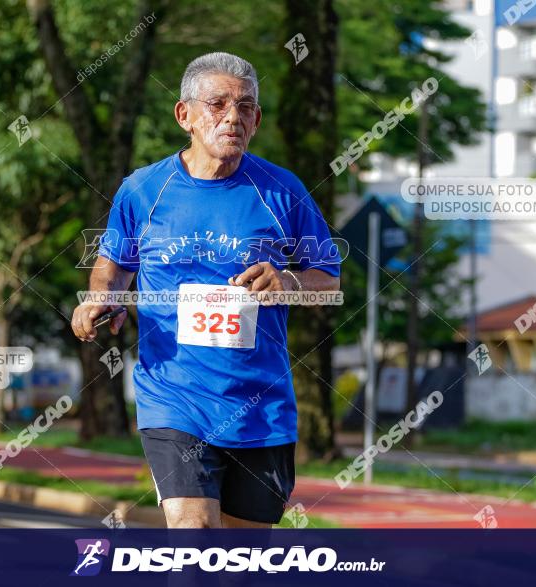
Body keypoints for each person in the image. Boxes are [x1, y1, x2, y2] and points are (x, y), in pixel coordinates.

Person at [72, 52, 341, 528]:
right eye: (217, 104)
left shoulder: (282, 191)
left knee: (238, 566)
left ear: (256, 119)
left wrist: (289, 281)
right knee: (193, 534)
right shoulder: (142, 190)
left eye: (245, 107)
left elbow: (330, 281)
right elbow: (112, 267)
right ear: (185, 116)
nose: (232, 117)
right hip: (174, 397)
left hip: (261, 407)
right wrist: (102, 297)